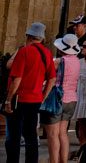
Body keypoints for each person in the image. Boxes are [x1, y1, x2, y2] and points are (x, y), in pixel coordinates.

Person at [3, 22, 57, 163]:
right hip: (35, 100)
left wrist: (9, 99)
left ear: (28, 36)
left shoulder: (24, 51)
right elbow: (52, 78)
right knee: (31, 136)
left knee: (13, 137)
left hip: (19, 99)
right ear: (42, 38)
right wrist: (43, 96)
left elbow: (17, 79)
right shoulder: (47, 53)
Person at [42, 34, 81, 163]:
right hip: (72, 99)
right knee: (63, 133)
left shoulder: (59, 61)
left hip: (57, 100)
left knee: (52, 135)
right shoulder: (77, 61)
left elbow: (47, 77)